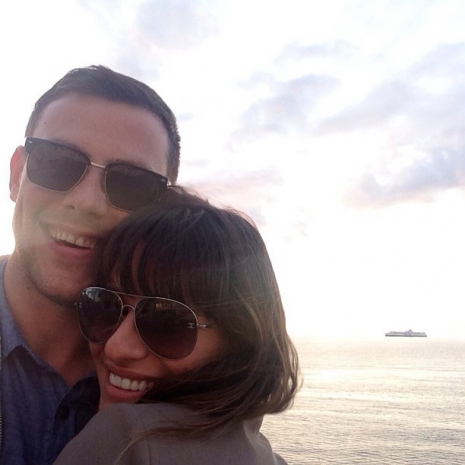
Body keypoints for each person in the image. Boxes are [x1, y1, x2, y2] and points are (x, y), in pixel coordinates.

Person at [2, 65, 180, 464]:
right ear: (16, 175)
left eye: (131, 183)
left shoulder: (181, 372)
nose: (87, 202)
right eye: (58, 161)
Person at [54, 188, 300, 464]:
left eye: (165, 322)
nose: (116, 347)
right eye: (105, 305)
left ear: (239, 339)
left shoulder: (124, 439)